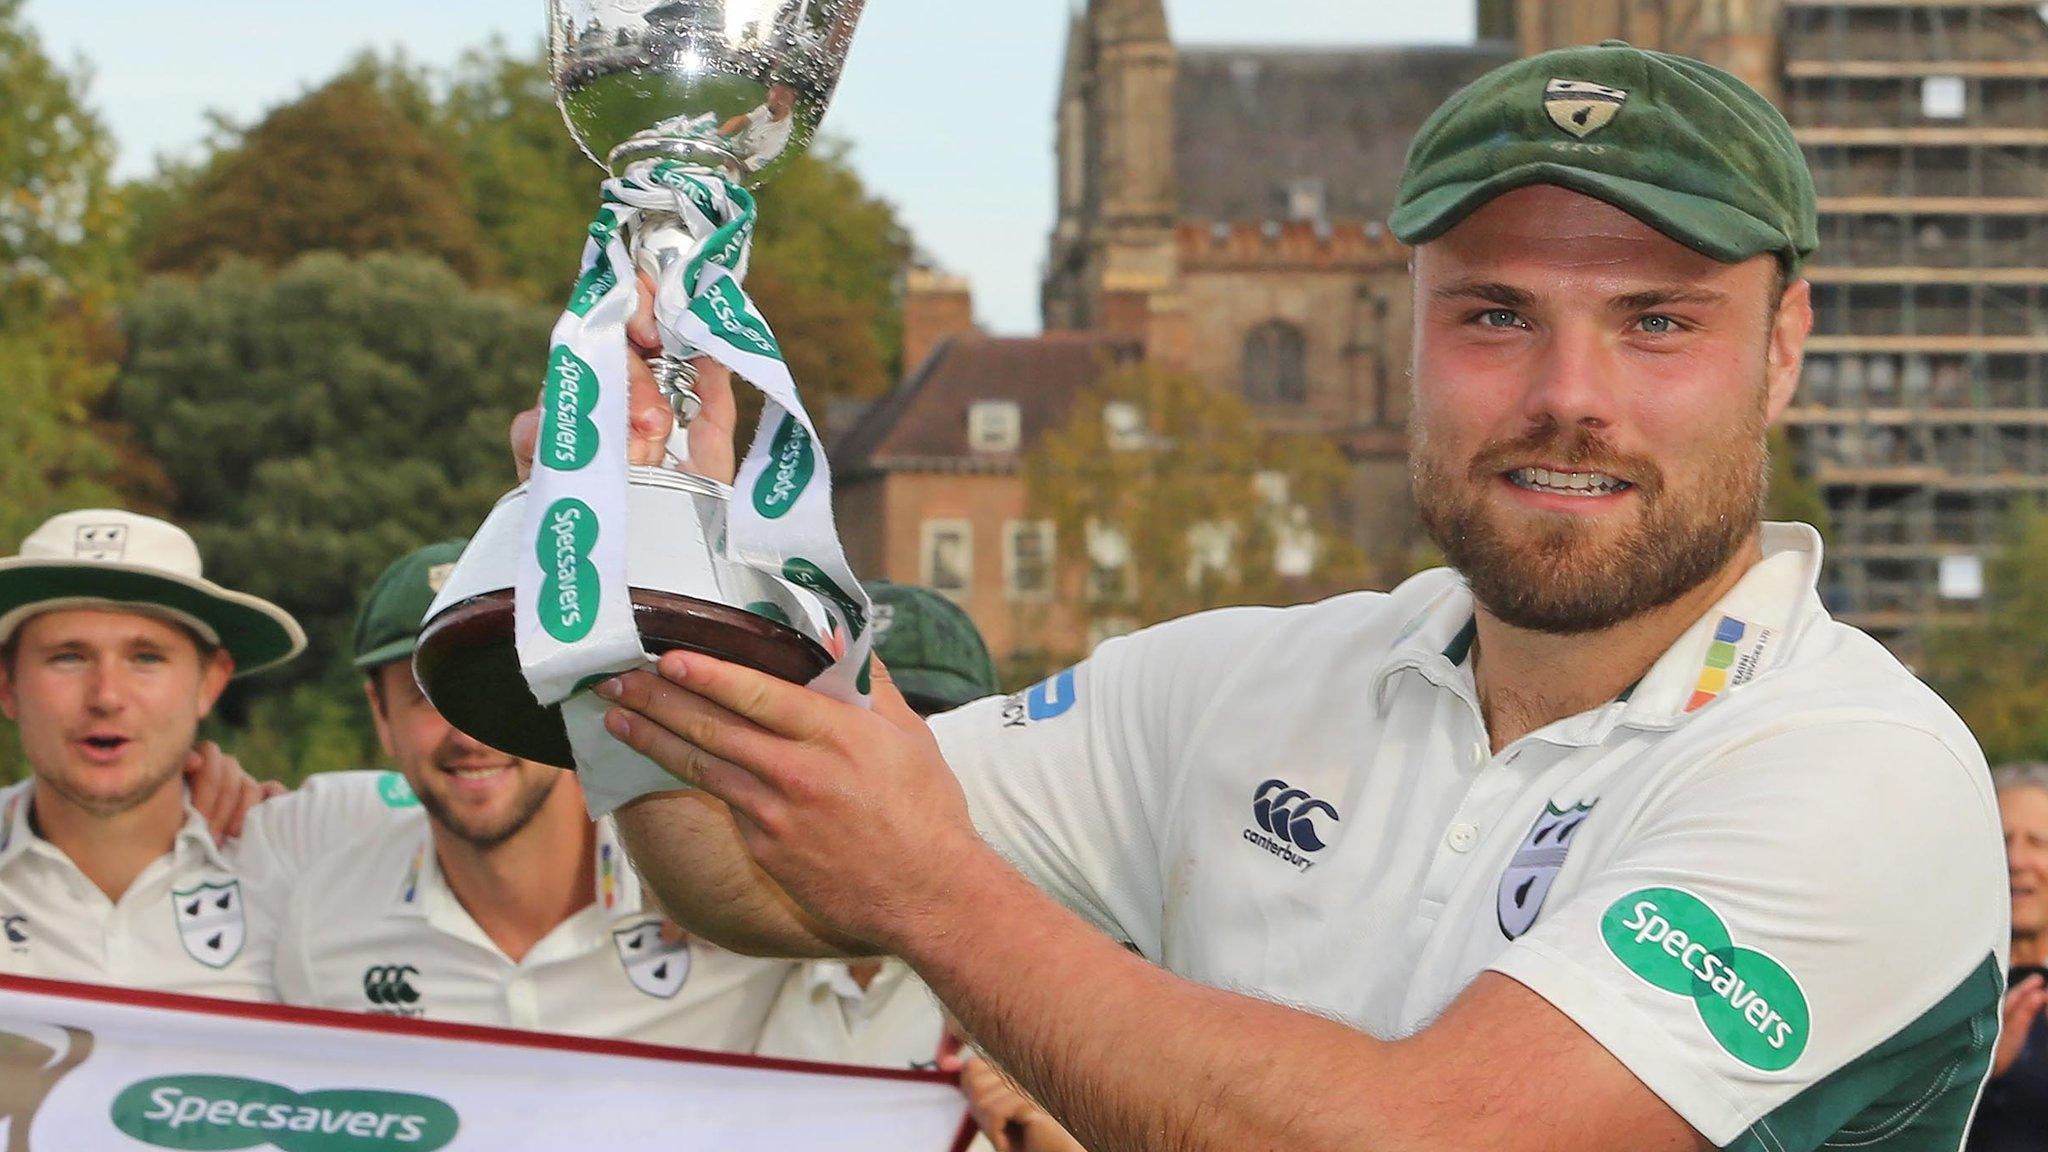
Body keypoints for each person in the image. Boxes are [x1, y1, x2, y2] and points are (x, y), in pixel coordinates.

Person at [547, 41, 2012, 1152]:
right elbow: (745, 860)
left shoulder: (1859, 770)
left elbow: (1429, 1141)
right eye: (1496, 315)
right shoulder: (1236, 688)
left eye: (1659, 324)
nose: (1572, 399)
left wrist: (929, 887)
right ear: (1409, 329)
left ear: (1781, 348)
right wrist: (650, 547)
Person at [273, 541, 795, 1050]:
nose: (470, 735)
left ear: (575, 689)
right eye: (428, 697)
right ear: (379, 714)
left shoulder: (723, 891)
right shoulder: (322, 925)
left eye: (505, 686)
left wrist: (712, 898)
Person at [0, 509, 403, 1000]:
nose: (106, 695)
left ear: (210, 682)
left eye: (146, 658)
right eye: (68, 657)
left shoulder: (303, 848)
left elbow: (492, 805)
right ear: (8, 687)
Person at [754, 580, 1000, 1070]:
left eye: (930, 727)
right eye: (850, 724)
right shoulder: (742, 969)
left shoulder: (1032, 980)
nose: (884, 765)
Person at [1968, 763, 2048, 1150]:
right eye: (2002, 841)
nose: (2016, 861)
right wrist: (1975, 1072)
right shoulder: (1945, 991)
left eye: (2038, 842)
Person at [718, 80, 798, 173]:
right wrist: (720, 133)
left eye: (781, 96)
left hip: (739, 163)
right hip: (730, 147)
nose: (772, 97)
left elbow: (749, 165)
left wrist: (730, 163)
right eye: (773, 92)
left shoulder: (779, 136)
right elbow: (743, 119)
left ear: (789, 102)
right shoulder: (769, 108)